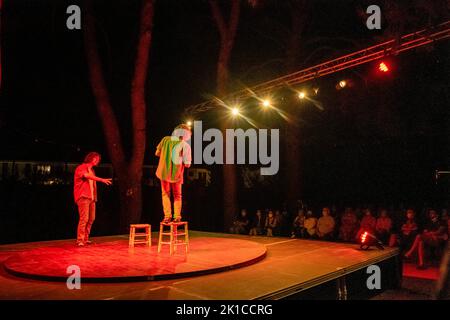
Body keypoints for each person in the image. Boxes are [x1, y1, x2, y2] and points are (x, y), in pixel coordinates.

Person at [73, 152, 112, 246]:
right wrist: (101, 180)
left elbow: (92, 183)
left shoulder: (92, 170)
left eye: (98, 159)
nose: (97, 160)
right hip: (83, 197)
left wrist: (94, 197)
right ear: (90, 158)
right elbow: (86, 176)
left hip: (91, 198)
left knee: (91, 218)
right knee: (84, 219)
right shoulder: (81, 167)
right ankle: (80, 240)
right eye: (96, 158)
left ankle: (85, 238)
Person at [155, 124, 192, 223]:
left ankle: (167, 216)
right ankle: (177, 216)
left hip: (163, 172)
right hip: (176, 174)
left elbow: (157, 153)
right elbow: (187, 164)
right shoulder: (185, 146)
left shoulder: (165, 139)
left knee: (165, 194)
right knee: (177, 195)